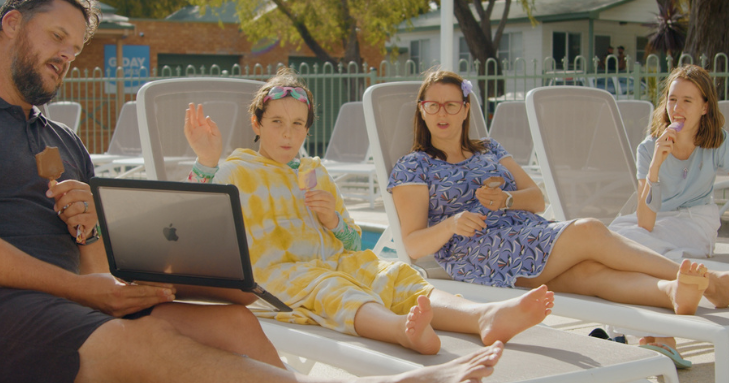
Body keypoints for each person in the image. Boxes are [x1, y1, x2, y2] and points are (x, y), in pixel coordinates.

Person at [0, 0, 506, 383]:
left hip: (61, 310)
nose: (67, 56)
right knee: (143, 346)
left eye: (76, 46)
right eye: (57, 37)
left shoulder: (64, 141)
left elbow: (92, 266)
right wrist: (90, 294)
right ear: (11, 23)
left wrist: (92, 237)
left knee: (235, 321)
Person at [184, 68, 554, 356]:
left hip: (334, 262)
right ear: (257, 124)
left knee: (394, 274)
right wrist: (206, 160)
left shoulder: (315, 173)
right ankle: (400, 330)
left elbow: (353, 240)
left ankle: (482, 316)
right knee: (333, 288)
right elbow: (195, 225)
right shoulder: (237, 170)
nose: (287, 134)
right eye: (277, 122)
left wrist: (333, 220)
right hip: (274, 277)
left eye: (297, 124)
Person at [388, 69, 729, 322]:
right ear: (421, 112)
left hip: (525, 235)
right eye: (432, 105)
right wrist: (454, 222)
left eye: (451, 104)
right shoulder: (413, 166)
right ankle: (715, 283)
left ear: (465, 108)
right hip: (479, 252)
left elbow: (536, 200)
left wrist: (506, 200)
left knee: (590, 274)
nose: (442, 113)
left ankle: (672, 292)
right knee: (588, 230)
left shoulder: (489, 149)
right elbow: (414, 244)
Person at [608, 64, 729, 354]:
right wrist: (657, 164)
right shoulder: (649, 149)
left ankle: (654, 335)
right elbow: (645, 222)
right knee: (612, 236)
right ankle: (656, 335)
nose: (677, 108)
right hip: (658, 225)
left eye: (687, 100)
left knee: (630, 248)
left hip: (697, 222)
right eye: (672, 99)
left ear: (705, 107)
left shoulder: (718, 141)